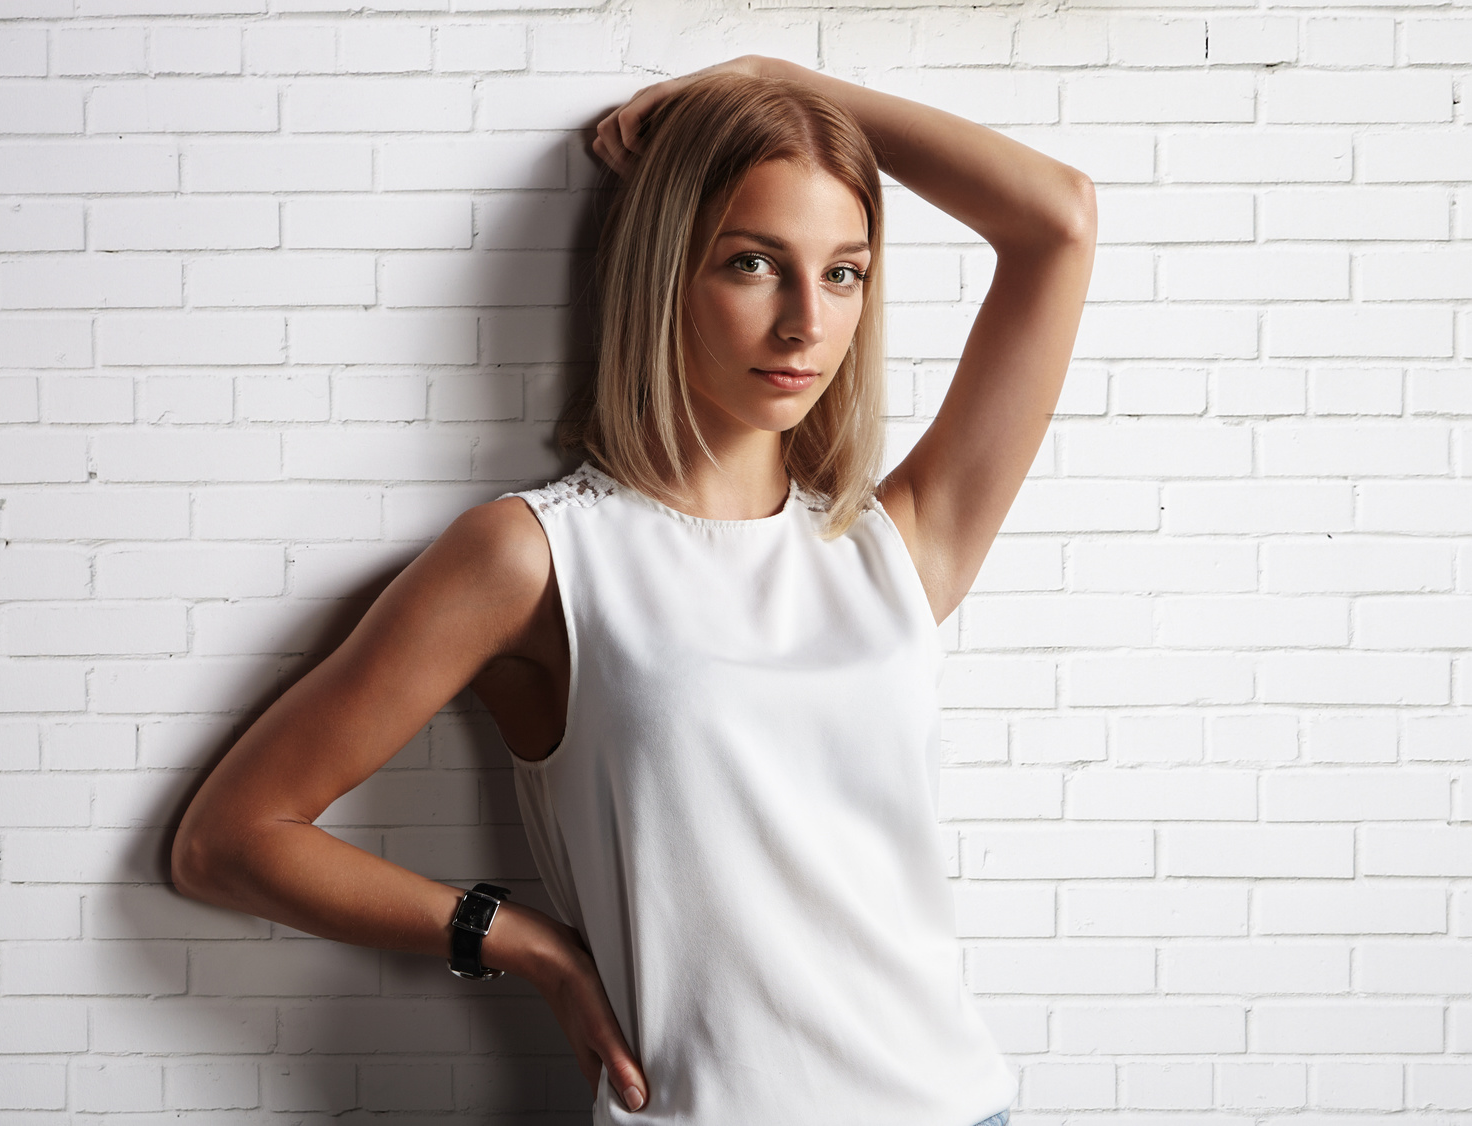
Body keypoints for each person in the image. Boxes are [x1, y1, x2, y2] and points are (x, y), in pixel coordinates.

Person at [172, 55, 1094, 1126]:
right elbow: (228, 840)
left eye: (843, 271)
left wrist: (777, 80)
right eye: (753, 264)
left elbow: (1057, 220)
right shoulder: (533, 558)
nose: (805, 323)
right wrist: (517, 940)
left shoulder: (892, 545)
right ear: (664, 272)